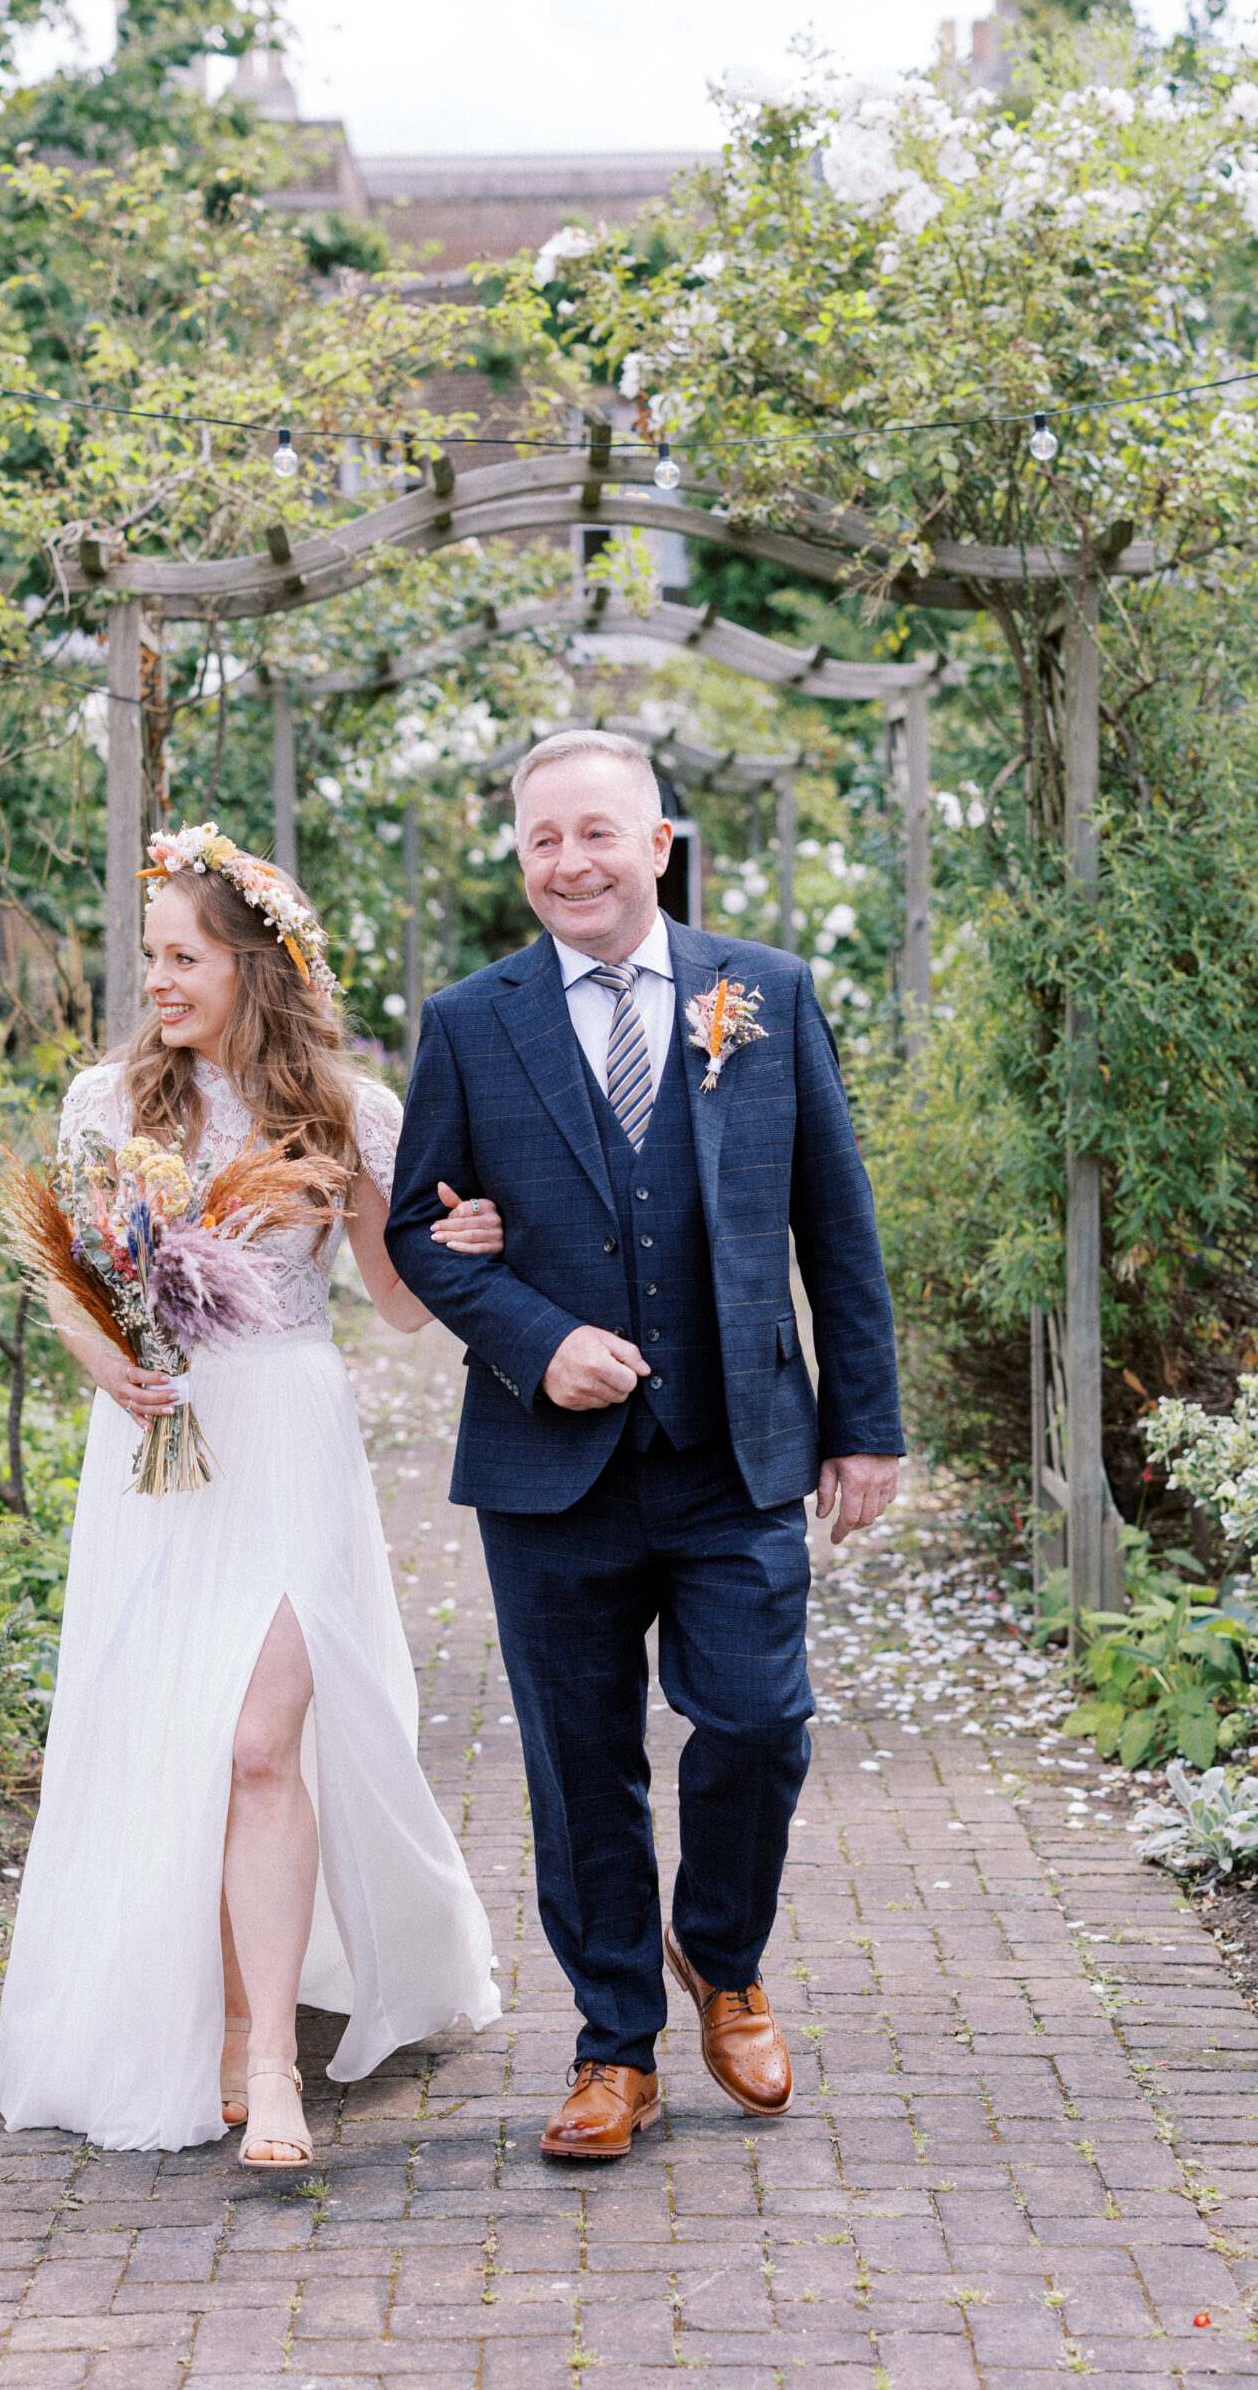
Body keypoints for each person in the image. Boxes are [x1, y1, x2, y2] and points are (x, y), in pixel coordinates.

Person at [386, 732, 904, 2162]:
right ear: (521, 855)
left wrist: (865, 1426)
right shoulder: (472, 1022)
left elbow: (835, 1227)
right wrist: (531, 1337)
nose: (572, 864)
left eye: (598, 834)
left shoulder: (767, 995)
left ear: (659, 842)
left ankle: (722, 1960)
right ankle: (615, 2046)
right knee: (579, 1762)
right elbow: (419, 1226)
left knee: (755, 1722)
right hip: (550, 1469)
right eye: (544, 839)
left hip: (739, 1448)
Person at [0, 825, 502, 2168]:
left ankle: (267, 2055)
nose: (157, 979)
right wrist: (112, 1363)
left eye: (183, 956)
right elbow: (71, 1279)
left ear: (256, 966)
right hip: (161, 1445)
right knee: (178, 1731)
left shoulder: (347, 1109)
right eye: (149, 955)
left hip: (285, 1427)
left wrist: (458, 1244)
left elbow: (395, 1310)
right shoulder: (112, 1103)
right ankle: (207, 2014)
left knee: (261, 1741)